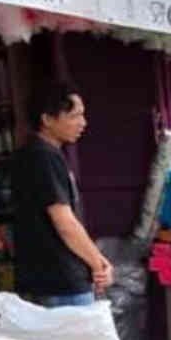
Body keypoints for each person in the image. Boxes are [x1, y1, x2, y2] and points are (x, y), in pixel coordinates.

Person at [11, 82, 113, 308]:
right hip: (61, 282)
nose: (83, 123)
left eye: (83, 115)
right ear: (47, 119)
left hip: (47, 280)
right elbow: (65, 223)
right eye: (74, 116)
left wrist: (96, 259)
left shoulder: (34, 154)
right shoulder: (44, 156)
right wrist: (97, 264)